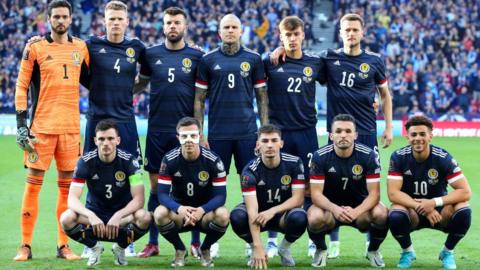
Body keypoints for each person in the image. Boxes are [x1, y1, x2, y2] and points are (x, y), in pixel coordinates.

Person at [271, 12, 393, 257]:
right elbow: (299, 59)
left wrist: (388, 127)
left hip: (366, 131)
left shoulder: (375, 60)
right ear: (340, 33)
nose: (351, 33)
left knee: (368, 186)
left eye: (355, 30)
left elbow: (385, 95)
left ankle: (371, 245)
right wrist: (278, 49)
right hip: (335, 135)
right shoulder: (328, 58)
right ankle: (327, 242)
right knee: (329, 186)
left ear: (362, 33)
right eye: (346, 30)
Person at [13, 0, 89, 261]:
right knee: (33, 186)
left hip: (70, 129)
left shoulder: (81, 47)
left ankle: (63, 245)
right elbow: (21, 86)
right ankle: (25, 245)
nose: (60, 20)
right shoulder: (34, 47)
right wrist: (22, 125)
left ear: (71, 19)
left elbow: (94, 82)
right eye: (56, 16)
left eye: (64, 16)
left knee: (67, 190)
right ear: (49, 19)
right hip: (41, 129)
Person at [194, 13, 268, 257]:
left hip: (247, 134)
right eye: (226, 27)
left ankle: (251, 240)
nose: (230, 30)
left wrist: (263, 132)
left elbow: (262, 97)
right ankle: (212, 240)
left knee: (251, 188)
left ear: (241, 30)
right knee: (212, 188)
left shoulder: (253, 59)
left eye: (234, 27)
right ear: (219, 32)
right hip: (217, 135)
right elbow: (199, 99)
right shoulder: (208, 60)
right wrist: (199, 133)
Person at [134, 7, 205, 258]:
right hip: (157, 131)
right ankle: (153, 243)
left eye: (177, 22)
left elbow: (200, 98)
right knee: (156, 188)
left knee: (193, 187)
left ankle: (195, 242)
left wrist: (200, 132)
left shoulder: (197, 56)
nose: (172, 26)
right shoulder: (150, 54)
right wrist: (117, 90)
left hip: (186, 133)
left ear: (185, 26)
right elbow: (140, 83)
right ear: (162, 27)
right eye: (168, 23)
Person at [79, 0, 146, 258]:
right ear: (104, 21)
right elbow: (80, 74)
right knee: (88, 174)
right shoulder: (91, 46)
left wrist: (129, 92)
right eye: (111, 19)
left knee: (131, 178)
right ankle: (89, 241)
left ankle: (126, 237)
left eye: (120, 19)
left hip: (126, 123)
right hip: (96, 120)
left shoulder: (137, 48)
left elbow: (148, 76)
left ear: (127, 21)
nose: (115, 23)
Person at [262, 15, 323, 258]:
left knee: (308, 187)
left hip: (306, 132)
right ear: (281, 36)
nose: (293, 39)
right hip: (279, 133)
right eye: (288, 35)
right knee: (274, 184)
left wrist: (369, 98)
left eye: (296, 34)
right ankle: (272, 239)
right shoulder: (269, 62)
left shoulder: (315, 63)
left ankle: (311, 238)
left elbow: (340, 84)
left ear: (303, 35)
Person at [60, 119, 151, 267]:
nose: (106, 143)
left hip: (122, 217)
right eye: (101, 139)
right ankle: (94, 247)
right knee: (66, 218)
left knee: (145, 217)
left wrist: (119, 215)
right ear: (95, 141)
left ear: (118, 140)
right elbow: (72, 199)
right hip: (94, 216)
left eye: (110, 138)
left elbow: (139, 199)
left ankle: (120, 247)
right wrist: (90, 215)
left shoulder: (130, 162)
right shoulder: (85, 162)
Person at [387, 115, 472, 269]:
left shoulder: (443, 157)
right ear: (407, 137)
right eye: (413, 135)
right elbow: (393, 194)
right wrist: (422, 207)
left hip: (439, 211)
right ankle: (407, 251)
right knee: (395, 213)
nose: (418, 138)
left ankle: (447, 251)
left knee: (464, 209)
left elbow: (465, 192)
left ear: (430, 136)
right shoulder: (398, 157)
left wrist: (433, 203)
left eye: (422, 134)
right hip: (412, 209)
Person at [307, 114, 388, 268]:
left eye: (347, 131)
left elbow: (374, 194)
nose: (343, 135)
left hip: (360, 210)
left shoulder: (369, 155)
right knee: (314, 216)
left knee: (381, 213)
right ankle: (321, 249)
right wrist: (335, 209)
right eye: (338, 131)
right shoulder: (319, 156)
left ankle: (373, 250)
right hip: (329, 209)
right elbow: (316, 195)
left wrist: (356, 212)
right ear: (331, 135)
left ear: (355, 135)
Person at [153, 117, 229, 267]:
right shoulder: (169, 160)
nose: (189, 140)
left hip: (205, 214)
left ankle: (205, 249)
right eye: (184, 136)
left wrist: (202, 210)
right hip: (180, 214)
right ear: (178, 138)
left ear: (200, 136)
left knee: (223, 215)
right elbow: (161, 194)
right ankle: (180, 249)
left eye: (193, 136)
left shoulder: (214, 160)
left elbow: (221, 196)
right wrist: (179, 208)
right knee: (159, 213)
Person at [230, 124, 307, 268]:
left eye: (274, 140)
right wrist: (258, 246)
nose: (270, 145)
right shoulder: (249, 170)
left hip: (283, 215)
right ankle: (254, 249)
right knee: (237, 216)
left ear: (281, 143)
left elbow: (298, 199)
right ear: (258, 145)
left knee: (300, 217)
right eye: (265, 141)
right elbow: (252, 209)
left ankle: (284, 248)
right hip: (259, 215)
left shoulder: (294, 163)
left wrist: (272, 211)